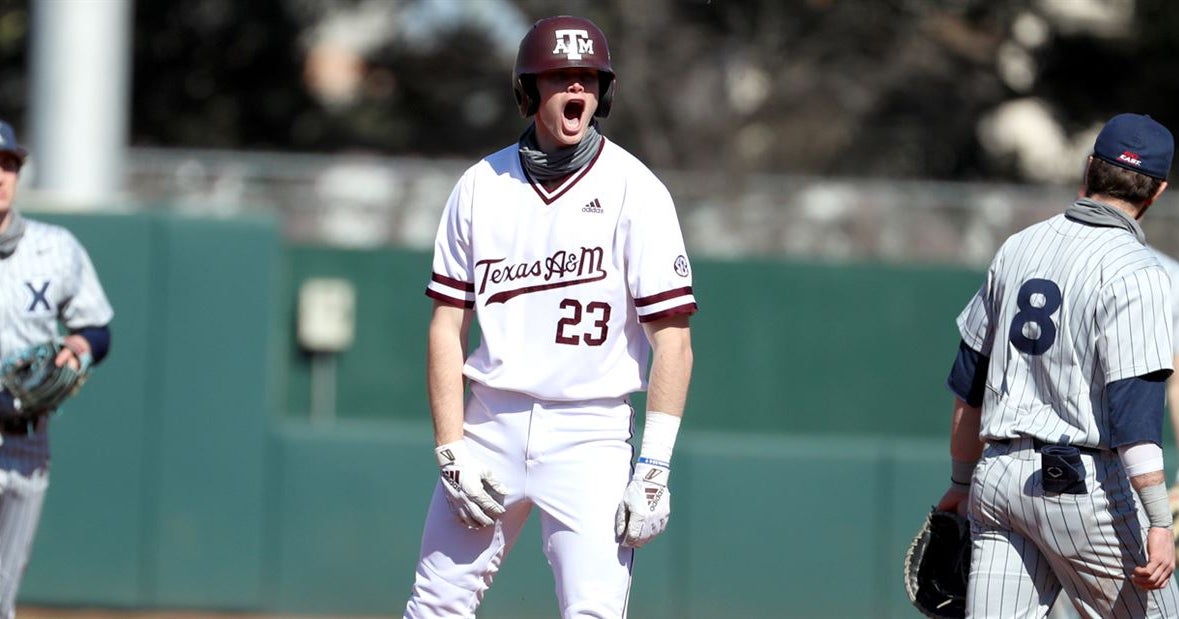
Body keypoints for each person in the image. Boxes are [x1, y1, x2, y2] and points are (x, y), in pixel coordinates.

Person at [403, 15, 696, 619]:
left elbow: (672, 341)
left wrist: (655, 465)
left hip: (590, 433)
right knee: (436, 605)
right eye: (560, 77)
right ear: (528, 91)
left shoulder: (635, 190)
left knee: (593, 612)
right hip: (491, 423)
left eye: (588, 78)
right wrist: (451, 447)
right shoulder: (481, 186)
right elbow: (445, 327)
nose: (577, 90)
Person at [935, 113, 1179, 618]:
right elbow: (1135, 417)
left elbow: (969, 387)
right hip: (1082, 487)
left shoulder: (1017, 248)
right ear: (1156, 192)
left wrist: (961, 484)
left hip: (998, 483)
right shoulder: (1142, 273)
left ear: (1089, 169)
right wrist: (1159, 522)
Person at [0, 120, 113, 617]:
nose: (0, 176)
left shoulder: (56, 248)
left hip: (27, 439)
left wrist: (82, 347)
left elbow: (97, 329)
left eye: (8, 165)